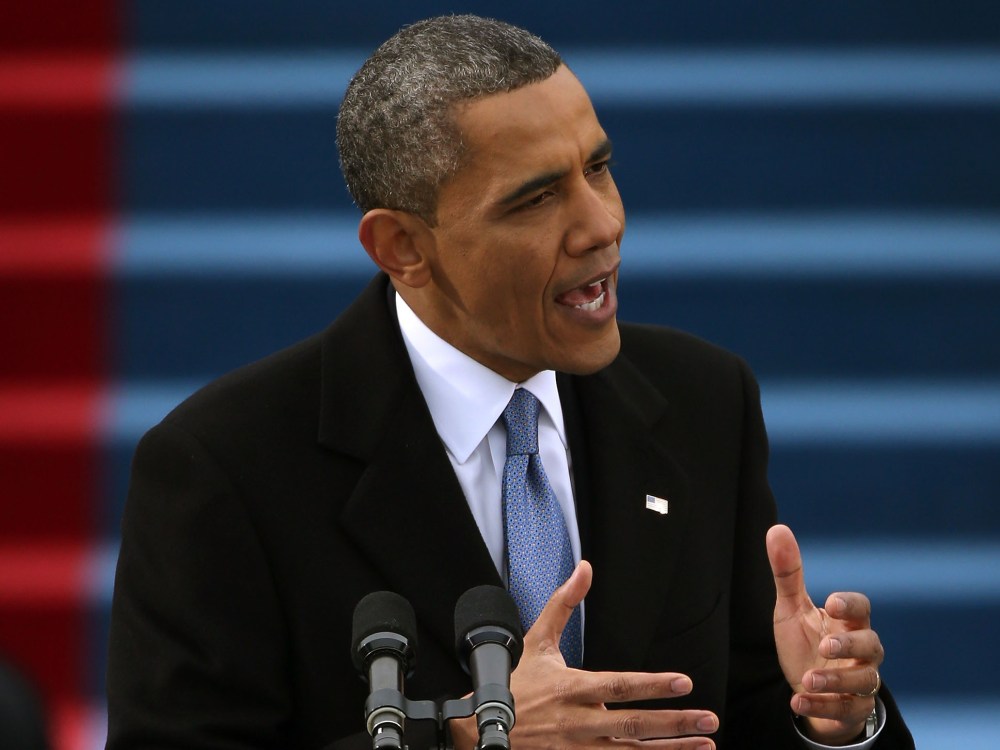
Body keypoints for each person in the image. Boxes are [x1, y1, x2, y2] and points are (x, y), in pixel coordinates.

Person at [105, 14, 914, 750]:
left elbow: (740, 712)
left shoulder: (703, 400)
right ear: (402, 249)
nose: (601, 224)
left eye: (598, 168)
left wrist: (836, 719)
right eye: (535, 200)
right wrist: (467, 741)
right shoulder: (223, 469)